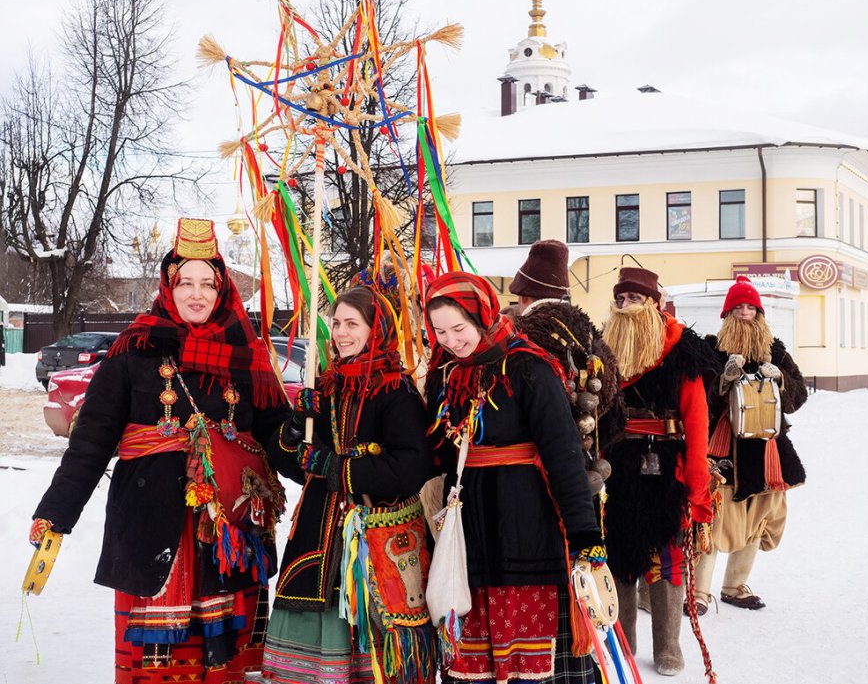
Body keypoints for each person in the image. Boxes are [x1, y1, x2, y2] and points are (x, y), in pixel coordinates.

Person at [30, 218, 293, 683]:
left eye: (207, 284)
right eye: (185, 282)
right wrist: (56, 512)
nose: (196, 294)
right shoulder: (134, 349)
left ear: (222, 289)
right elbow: (90, 443)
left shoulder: (247, 355)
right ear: (168, 286)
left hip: (229, 535)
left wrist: (316, 459)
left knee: (228, 668)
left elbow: (277, 438)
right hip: (152, 527)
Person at [424, 271, 606, 684]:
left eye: (459, 328)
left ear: (483, 315)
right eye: (439, 332)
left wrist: (584, 535)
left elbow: (563, 456)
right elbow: (433, 452)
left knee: (526, 658)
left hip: (524, 525)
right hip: (467, 529)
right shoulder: (445, 374)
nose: (451, 341)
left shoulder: (527, 368)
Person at [261, 284, 435, 684]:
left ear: (376, 330)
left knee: (377, 648)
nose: (340, 333)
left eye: (352, 324)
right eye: (336, 323)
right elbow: (293, 464)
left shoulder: (397, 391)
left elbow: (411, 467)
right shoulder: (326, 387)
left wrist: (337, 467)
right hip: (318, 539)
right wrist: (292, 430)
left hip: (378, 539)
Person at [599, 266, 716, 677]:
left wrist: (698, 481)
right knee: (619, 553)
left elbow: (697, 417)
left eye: (633, 299)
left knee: (666, 554)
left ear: (652, 302)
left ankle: (668, 645)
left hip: (666, 462)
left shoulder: (682, 348)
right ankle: (624, 643)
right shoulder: (604, 348)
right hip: (617, 465)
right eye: (620, 299)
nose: (625, 306)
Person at [692, 276, 808, 612]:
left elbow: (797, 398)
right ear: (727, 314)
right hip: (724, 449)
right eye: (738, 307)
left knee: (758, 520)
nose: (744, 312)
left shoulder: (777, 352)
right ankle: (699, 593)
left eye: (750, 307)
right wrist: (724, 382)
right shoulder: (710, 351)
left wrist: (781, 380)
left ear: (759, 312)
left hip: (766, 451)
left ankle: (734, 586)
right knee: (713, 520)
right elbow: (700, 402)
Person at [509, 240, 622, 502]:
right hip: (584, 465)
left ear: (524, 296)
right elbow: (616, 414)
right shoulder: (592, 335)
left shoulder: (522, 336)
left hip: (530, 468)